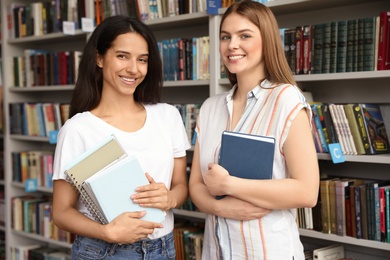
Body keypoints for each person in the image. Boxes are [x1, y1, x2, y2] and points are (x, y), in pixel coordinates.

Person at [52, 15, 190, 259]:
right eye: (122, 56)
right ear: (99, 58)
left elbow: (180, 186)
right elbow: (61, 213)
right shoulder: (78, 129)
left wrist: (169, 198)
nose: (133, 69)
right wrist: (107, 232)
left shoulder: (168, 116)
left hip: (163, 248)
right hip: (104, 250)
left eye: (142, 60)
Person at [189, 1, 320, 259]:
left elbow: (306, 191)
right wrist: (225, 209)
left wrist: (229, 185)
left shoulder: (286, 99)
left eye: (244, 36)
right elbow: (195, 186)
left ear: (267, 41)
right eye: (225, 37)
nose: (232, 45)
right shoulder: (209, 107)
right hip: (216, 252)